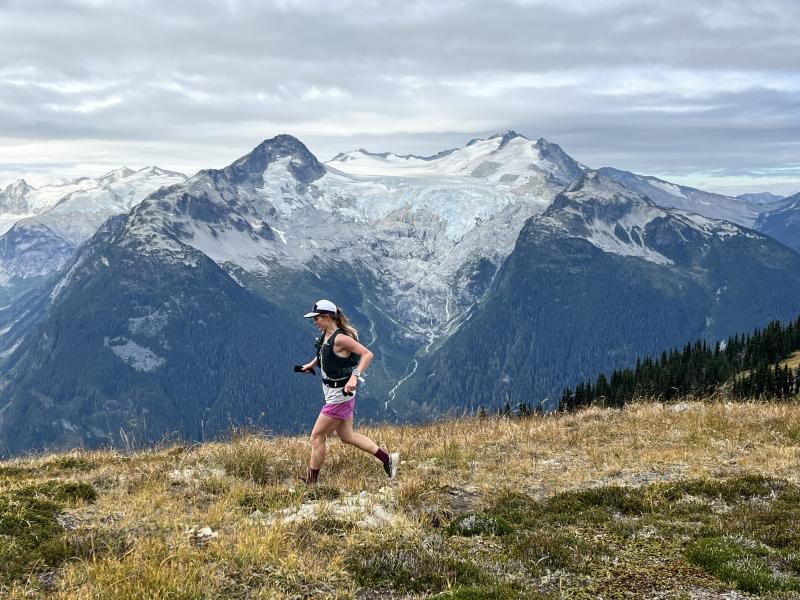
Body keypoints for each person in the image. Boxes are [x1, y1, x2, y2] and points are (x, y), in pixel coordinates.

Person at [297, 299, 399, 484]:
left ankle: (311, 484)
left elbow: (367, 354)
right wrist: (311, 365)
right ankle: (388, 459)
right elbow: (324, 353)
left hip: (339, 395)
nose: (315, 322)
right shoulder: (327, 336)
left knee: (317, 437)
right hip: (332, 391)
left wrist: (354, 377)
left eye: (317, 318)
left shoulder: (341, 338)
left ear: (328, 317)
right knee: (347, 436)